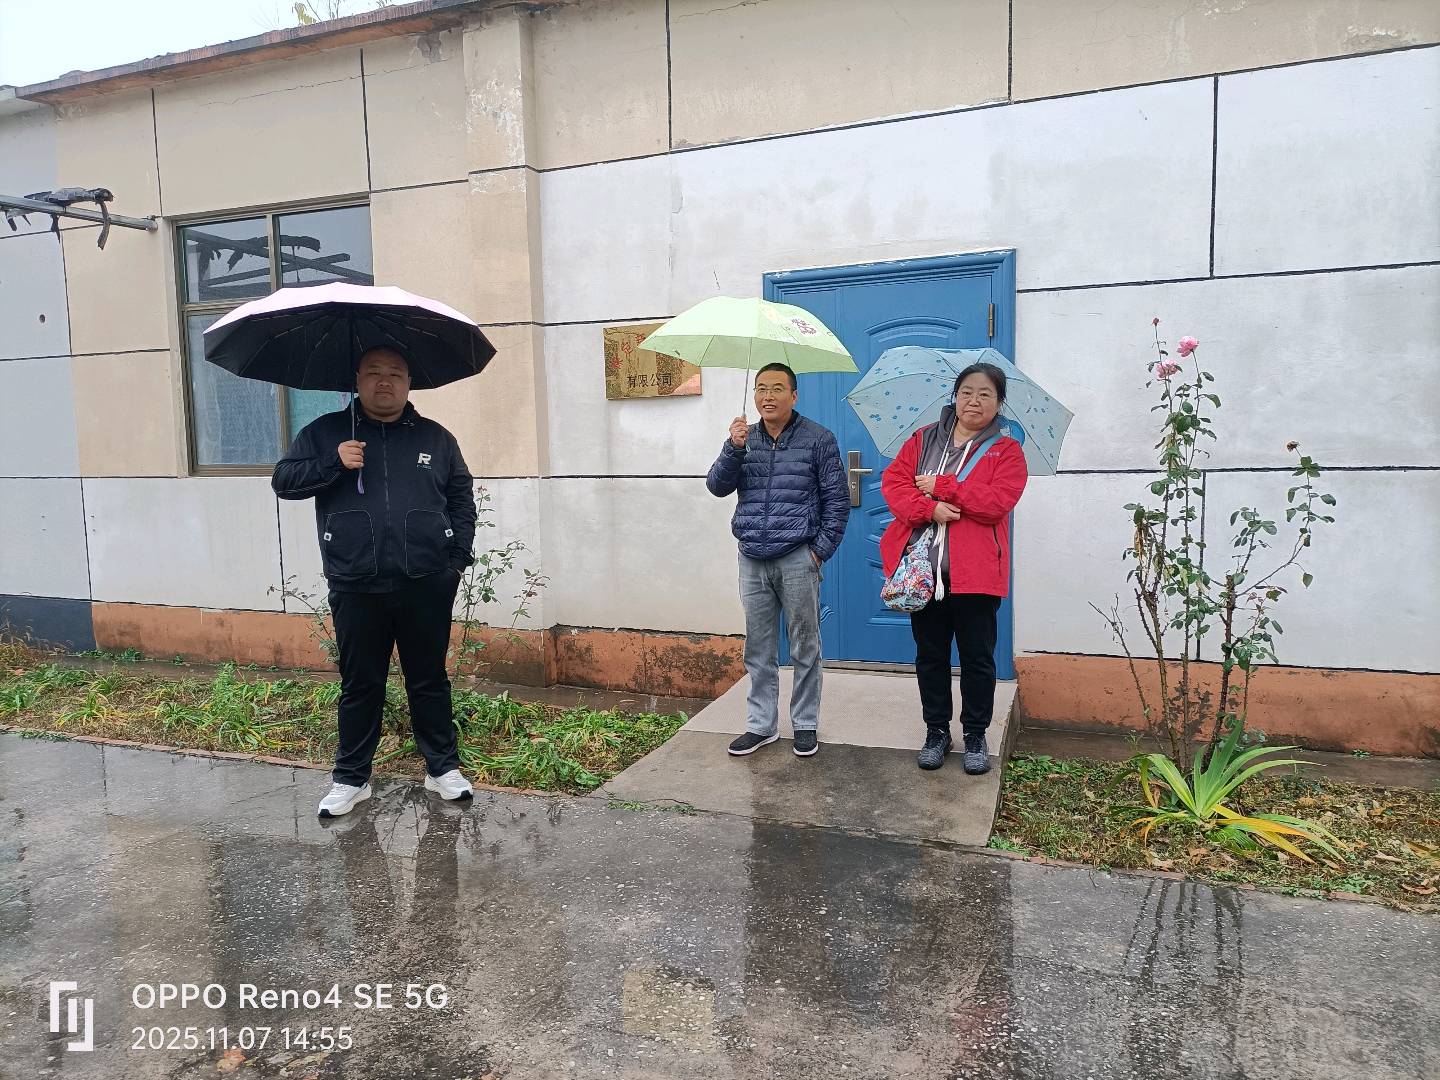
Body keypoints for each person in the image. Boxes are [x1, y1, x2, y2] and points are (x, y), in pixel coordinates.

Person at [273, 347, 478, 817]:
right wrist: (333, 462)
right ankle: (351, 778)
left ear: (409, 383)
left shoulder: (436, 438)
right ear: (357, 380)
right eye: (374, 373)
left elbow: (460, 497)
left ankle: (442, 769)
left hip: (426, 581)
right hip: (356, 581)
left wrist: (455, 562)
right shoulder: (326, 432)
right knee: (361, 683)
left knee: (429, 679)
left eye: (395, 374)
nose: (385, 382)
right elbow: (284, 481)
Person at [879, 361, 1028, 775]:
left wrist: (944, 487)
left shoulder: (1006, 451)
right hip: (925, 574)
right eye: (966, 392)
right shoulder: (923, 440)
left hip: (977, 575)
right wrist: (929, 509)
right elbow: (894, 484)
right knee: (930, 656)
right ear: (955, 396)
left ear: (999, 402)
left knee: (978, 658)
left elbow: (998, 502)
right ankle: (937, 732)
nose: (974, 401)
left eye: (985, 394)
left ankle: (976, 734)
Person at [706, 362, 850, 758]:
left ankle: (804, 723)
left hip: (797, 556)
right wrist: (732, 449)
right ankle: (760, 725)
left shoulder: (818, 439)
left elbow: (837, 502)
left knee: (805, 644)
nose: (767, 396)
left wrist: (817, 552)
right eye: (761, 388)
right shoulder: (744, 439)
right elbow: (717, 486)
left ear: (794, 395)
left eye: (777, 388)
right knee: (758, 647)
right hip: (752, 557)